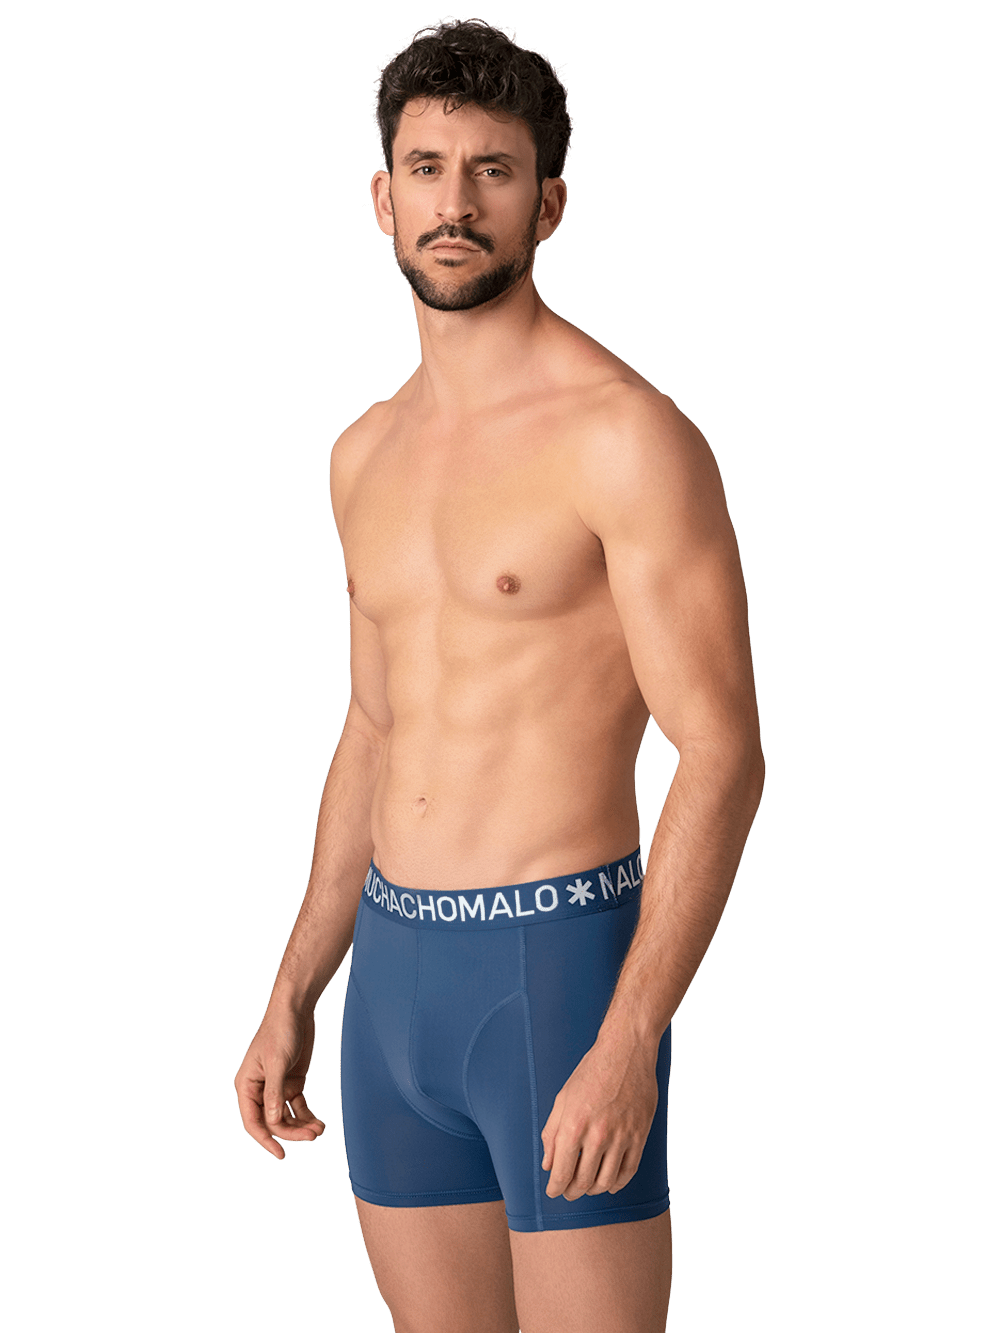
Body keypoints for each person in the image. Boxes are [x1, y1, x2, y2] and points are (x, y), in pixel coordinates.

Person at [234, 18, 765, 1333]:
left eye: (494, 170)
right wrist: (295, 985)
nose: (456, 204)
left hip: (557, 974)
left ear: (549, 204)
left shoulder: (624, 437)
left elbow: (722, 750)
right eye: (427, 168)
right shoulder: (363, 452)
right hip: (390, 988)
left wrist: (631, 1038)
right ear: (383, 198)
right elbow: (375, 724)